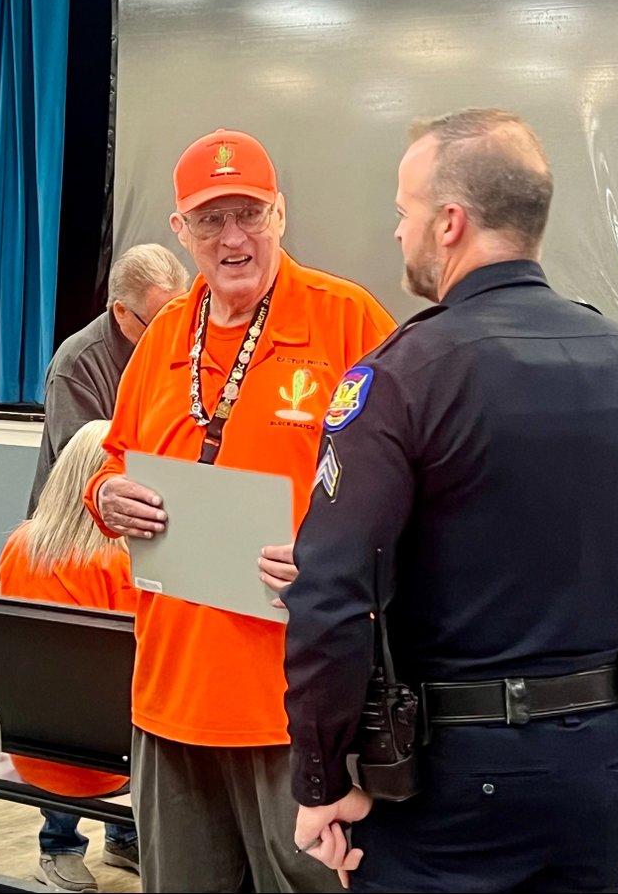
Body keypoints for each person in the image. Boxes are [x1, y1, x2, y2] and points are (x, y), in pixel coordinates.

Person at [283, 108, 618, 892]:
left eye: (403, 214)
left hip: (446, 784)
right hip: (597, 772)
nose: (397, 234)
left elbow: (332, 597)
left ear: (449, 222)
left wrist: (319, 778)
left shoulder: (400, 379)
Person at [84, 127, 397, 892]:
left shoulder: (347, 322)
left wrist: (337, 558)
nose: (233, 237)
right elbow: (115, 460)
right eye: (212, 218)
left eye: (249, 213)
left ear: (281, 215)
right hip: (170, 698)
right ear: (180, 231)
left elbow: (413, 487)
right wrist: (106, 496)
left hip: (297, 705)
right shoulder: (162, 336)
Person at [1, 420, 138, 894]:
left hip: (30, 734)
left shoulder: (18, 546)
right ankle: (124, 833)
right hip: (112, 745)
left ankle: (64, 845)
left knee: (62, 690)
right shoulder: (125, 564)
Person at [27, 244, 189, 516]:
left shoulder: (187, 345)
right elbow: (82, 464)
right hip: (77, 530)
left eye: (180, 316)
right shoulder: (77, 362)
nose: (172, 333)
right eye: (159, 323)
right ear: (121, 311)